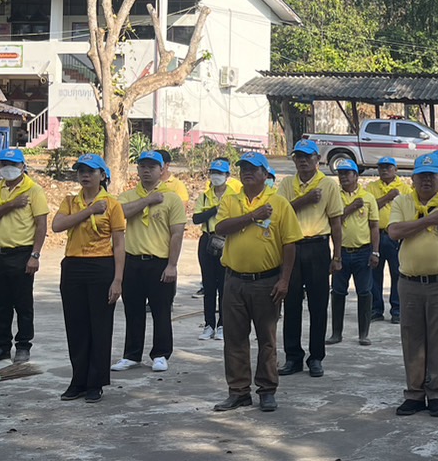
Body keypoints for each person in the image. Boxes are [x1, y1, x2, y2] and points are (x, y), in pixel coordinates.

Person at [211, 151, 302, 412]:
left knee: (266, 339)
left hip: (266, 281)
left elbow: (290, 244)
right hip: (234, 280)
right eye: (244, 168)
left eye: (253, 168)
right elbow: (221, 228)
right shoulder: (231, 199)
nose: (247, 172)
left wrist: (284, 280)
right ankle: (238, 391)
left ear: (265, 174)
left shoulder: (279, 203)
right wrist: (253, 216)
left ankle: (267, 390)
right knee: (234, 339)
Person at [387, 153, 438, 418]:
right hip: (409, 283)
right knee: (412, 339)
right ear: (412, 178)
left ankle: (435, 393)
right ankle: (414, 394)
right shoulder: (402, 202)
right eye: (421, 176)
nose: (426, 181)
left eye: (431, 176)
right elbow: (394, 232)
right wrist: (428, 221)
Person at [50, 154, 126, 403]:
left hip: (101, 266)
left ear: (102, 176)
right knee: (76, 325)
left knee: (100, 326)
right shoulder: (71, 201)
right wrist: (90, 211)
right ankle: (78, 380)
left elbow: (119, 244)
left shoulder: (112, 205)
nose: (85, 175)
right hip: (73, 265)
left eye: (91, 171)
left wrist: (118, 279)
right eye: (81, 170)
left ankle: (96, 382)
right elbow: (57, 225)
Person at [114, 151, 186, 373]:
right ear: (137, 169)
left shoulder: (171, 198)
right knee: (133, 310)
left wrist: (172, 265)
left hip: (159, 263)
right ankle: (131, 355)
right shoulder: (128, 196)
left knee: (160, 310)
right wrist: (147, 200)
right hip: (132, 261)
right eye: (143, 166)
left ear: (161, 169)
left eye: (152, 167)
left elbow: (177, 233)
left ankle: (161, 354)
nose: (146, 171)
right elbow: (120, 214)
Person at [281, 139, 344, 378]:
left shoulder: (328, 185)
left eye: (308, 156)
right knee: (291, 303)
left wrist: (337, 255)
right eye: (299, 156)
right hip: (292, 248)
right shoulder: (287, 184)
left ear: (318, 159)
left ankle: (316, 357)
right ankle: (292, 357)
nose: (303, 161)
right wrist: (305, 200)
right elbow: (279, 213)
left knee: (318, 304)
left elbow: (336, 222)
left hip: (318, 247)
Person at [0, 148, 48, 365]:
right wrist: (10, 205)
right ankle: (2, 346)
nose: (8, 168)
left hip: (21, 254)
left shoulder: (34, 190)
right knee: (1, 305)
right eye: (4, 164)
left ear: (23, 166)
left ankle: (23, 346)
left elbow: (41, 225)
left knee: (23, 304)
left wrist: (35, 255)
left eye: (13, 164)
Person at [326, 158, 379, 347]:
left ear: (356, 175)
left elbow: (374, 226)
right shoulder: (334, 196)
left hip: (363, 251)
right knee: (338, 291)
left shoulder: (368, 197)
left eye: (347, 173)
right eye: (340, 173)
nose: (343, 177)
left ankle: (363, 333)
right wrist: (352, 208)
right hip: (341, 252)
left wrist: (375, 252)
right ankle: (336, 333)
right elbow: (333, 221)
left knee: (364, 291)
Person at [192, 158, 237, 342]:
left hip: (227, 241)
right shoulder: (205, 196)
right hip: (208, 240)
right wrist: (214, 209)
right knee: (209, 285)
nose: (216, 176)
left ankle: (222, 325)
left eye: (220, 173)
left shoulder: (235, 195)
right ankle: (208, 324)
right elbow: (196, 218)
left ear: (227, 175)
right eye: (213, 173)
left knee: (224, 286)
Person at [367, 156, 410, 324]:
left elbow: (409, 211)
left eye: (388, 167)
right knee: (374, 273)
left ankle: (397, 310)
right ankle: (376, 309)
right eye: (381, 167)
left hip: (395, 237)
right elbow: (370, 207)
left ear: (395, 169)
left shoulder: (404, 188)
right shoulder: (372, 187)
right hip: (376, 235)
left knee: (397, 273)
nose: (384, 170)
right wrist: (388, 197)